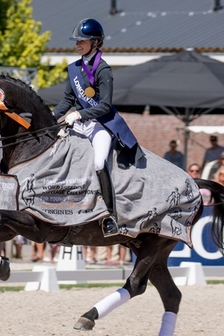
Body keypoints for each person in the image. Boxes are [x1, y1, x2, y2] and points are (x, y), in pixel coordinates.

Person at [52, 18, 142, 237]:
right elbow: (67, 100)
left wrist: (79, 113)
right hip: (79, 123)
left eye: (81, 41)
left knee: (99, 163)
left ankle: (109, 215)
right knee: (58, 155)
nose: (77, 45)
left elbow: (104, 106)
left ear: (94, 42)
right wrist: (51, 118)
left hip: (100, 125)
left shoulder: (103, 70)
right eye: (77, 42)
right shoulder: (73, 68)